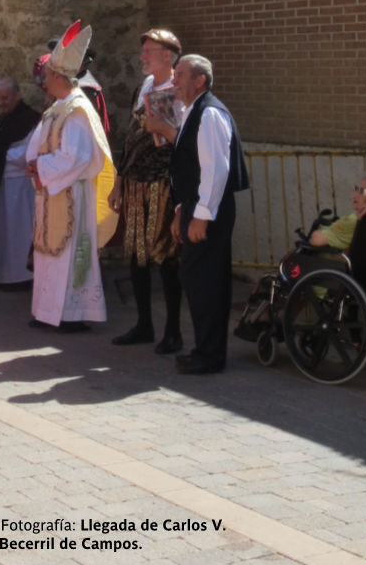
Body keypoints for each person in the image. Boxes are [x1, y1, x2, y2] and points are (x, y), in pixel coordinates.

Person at [26, 22, 112, 330]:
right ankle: (48, 312)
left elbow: (78, 156)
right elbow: (36, 146)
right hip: (53, 191)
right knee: (50, 254)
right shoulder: (56, 108)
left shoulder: (76, 109)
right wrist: (33, 164)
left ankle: (74, 315)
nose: (44, 78)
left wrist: (43, 168)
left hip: (72, 193)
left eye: (47, 74)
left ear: (59, 76)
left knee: (72, 253)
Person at [168, 54, 249, 375]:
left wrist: (202, 215)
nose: (174, 81)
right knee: (197, 277)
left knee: (206, 281)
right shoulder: (192, 111)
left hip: (209, 208)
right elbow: (187, 167)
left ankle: (210, 355)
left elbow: (216, 170)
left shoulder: (210, 113)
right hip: (196, 205)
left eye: (181, 74)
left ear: (200, 80)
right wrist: (180, 212)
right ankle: (205, 349)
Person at [110, 29, 184, 353]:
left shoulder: (177, 91)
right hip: (136, 183)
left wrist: (164, 131)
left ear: (167, 55)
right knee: (137, 258)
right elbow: (130, 138)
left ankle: (173, 331)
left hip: (161, 184)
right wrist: (118, 181)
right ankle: (144, 324)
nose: (142, 56)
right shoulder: (144, 88)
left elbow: (180, 140)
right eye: (143, 51)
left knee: (167, 259)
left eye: (149, 51)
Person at [0, 78, 40, 286]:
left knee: (18, 232)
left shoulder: (28, 119)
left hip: (19, 185)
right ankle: (3, 275)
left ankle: (22, 276)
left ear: (17, 95)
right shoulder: (1, 120)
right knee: (2, 234)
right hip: (1, 185)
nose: (2, 102)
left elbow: (25, 154)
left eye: (5, 97)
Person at [309, 173, 366, 249]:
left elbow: (316, 239)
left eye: (362, 191)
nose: (354, 195)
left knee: (297, 262)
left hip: (330, 262)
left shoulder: (354, 221)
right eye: (356, 189)